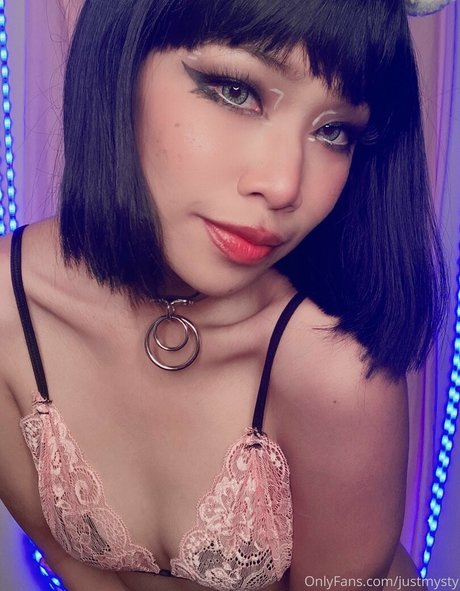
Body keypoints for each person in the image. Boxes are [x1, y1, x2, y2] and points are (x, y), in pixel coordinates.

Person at [0, 0, 447, 590]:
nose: (284, 185)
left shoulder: (333, 373)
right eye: (237, 91)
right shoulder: (9, 308)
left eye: (333, 131)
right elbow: (74, 565)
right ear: (122, 53)